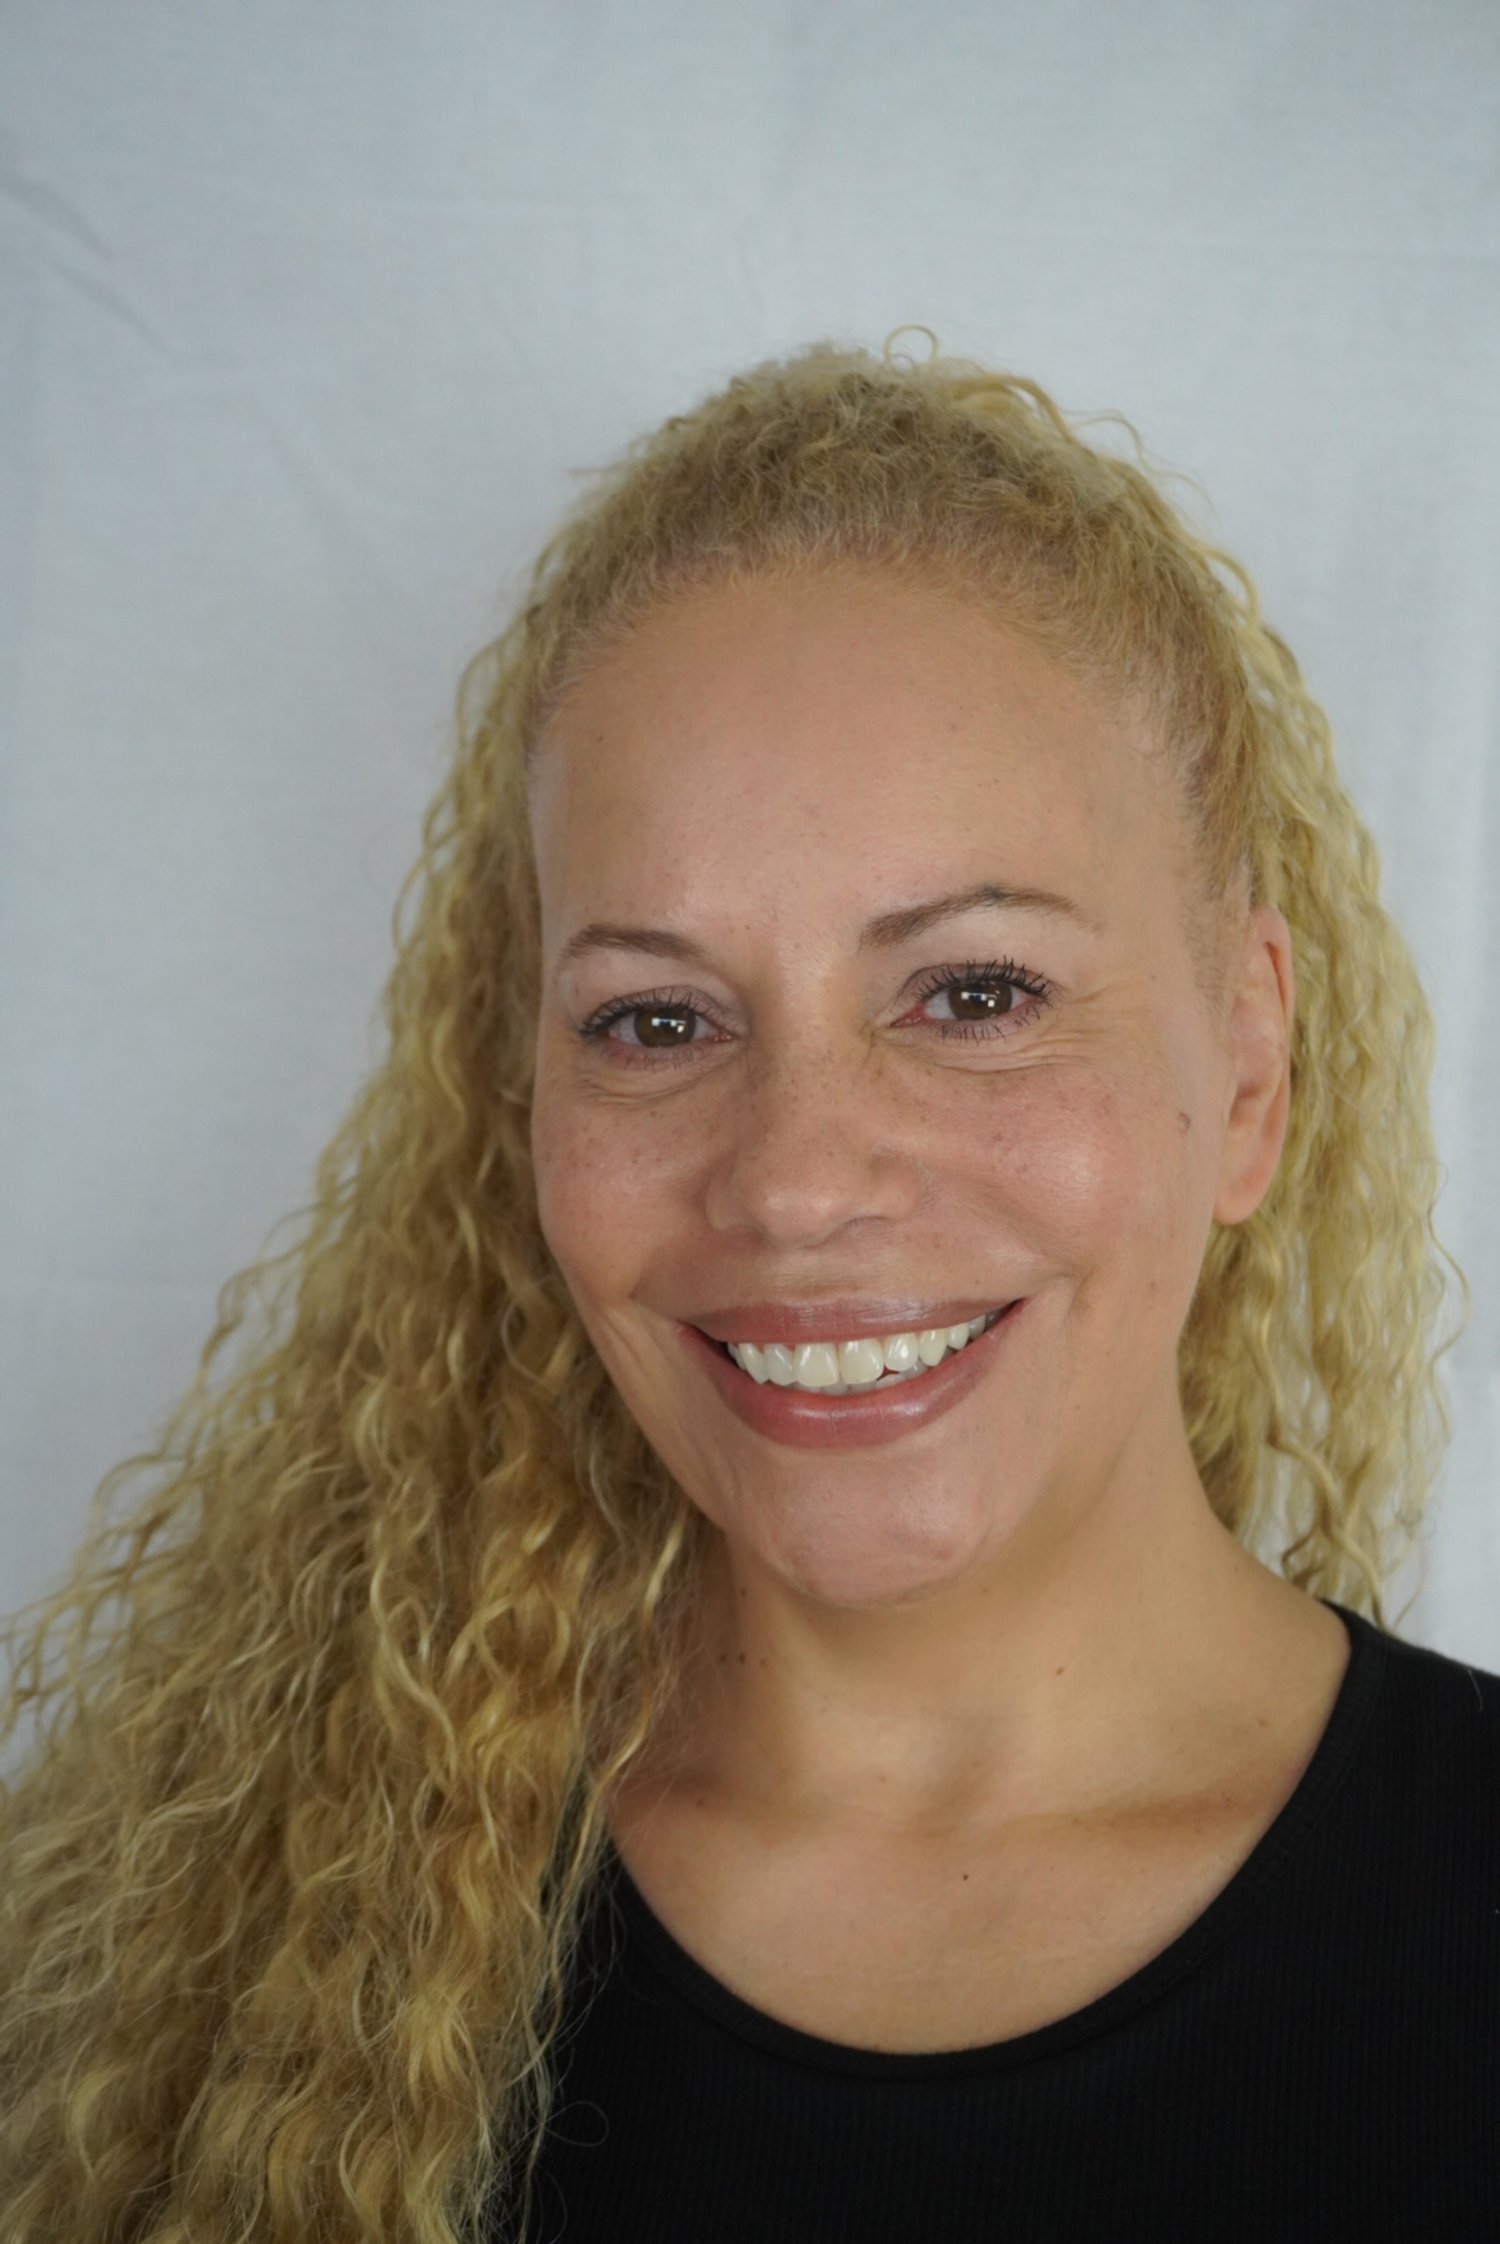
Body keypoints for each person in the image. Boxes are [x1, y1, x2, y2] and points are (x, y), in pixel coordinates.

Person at [0, 336, 1490, 2244]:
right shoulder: (231, 1949)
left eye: (975, 993)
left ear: (1251, 1081)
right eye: (656, 1018)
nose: (794, 1178)